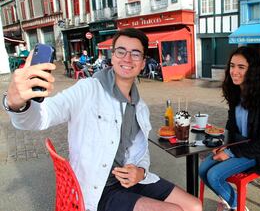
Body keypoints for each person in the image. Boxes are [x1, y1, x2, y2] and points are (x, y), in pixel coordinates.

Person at [3, 28, 202, 211]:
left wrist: (141, 170)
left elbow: (141, 151)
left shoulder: (140, 107)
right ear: (112, 57)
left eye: (135, 53)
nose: (127, 58)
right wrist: (16, 103)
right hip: (98, 189)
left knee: (194, 206)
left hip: (131, 180)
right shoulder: (88, 89)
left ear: (142, 63)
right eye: (121, 51)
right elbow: (41, 118)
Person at [199, 46, 260, 211]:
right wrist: (223, 145)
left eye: (241, 67)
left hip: (258, 153)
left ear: (253, 70)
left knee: (214, 176)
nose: (234, 71)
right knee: (202, 169)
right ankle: (234, 202)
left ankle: (238, 207)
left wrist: (229, 153)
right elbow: (231, 125)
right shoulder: (236, 92)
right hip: (239, 146)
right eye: (232, 65)